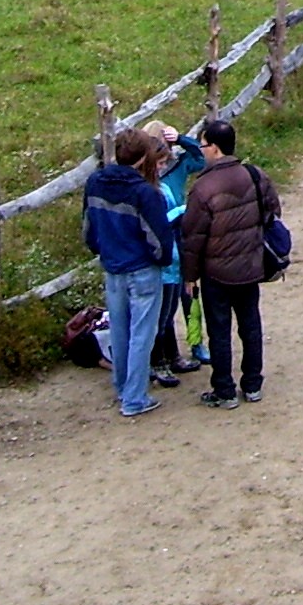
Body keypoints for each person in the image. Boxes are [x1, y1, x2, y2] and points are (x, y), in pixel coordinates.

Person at [181, 116, 280, 409]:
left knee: (219, 332)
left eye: (202, 145)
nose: (200, 151)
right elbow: (273, 211)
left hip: (217, 274)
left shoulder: (203, 189)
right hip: (250, 267)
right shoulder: (254, 174)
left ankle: (224, 390)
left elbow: (193, 238)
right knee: (250, 325)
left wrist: (190, 277)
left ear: (214, 148)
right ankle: (252, 384)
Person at [83, 126, 174, 418]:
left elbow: (89, 228)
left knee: (120, 331)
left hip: (113, 267)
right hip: (142, 268)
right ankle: (135, 398)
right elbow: (158, 239)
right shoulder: (145, 193)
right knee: (142, 334)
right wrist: (161, 260)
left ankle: (122, 386)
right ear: (142, 157)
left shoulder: (95, 182)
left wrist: (101, 250)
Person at [149, 123, 205, 388]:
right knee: (168, 304)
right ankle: (170, 356)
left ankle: (196, 342)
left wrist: (183, 138)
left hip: (182, 235)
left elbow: (201, 159)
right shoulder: (149, 180)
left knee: (190, 295)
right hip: (167, 239)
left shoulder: (178, 164)